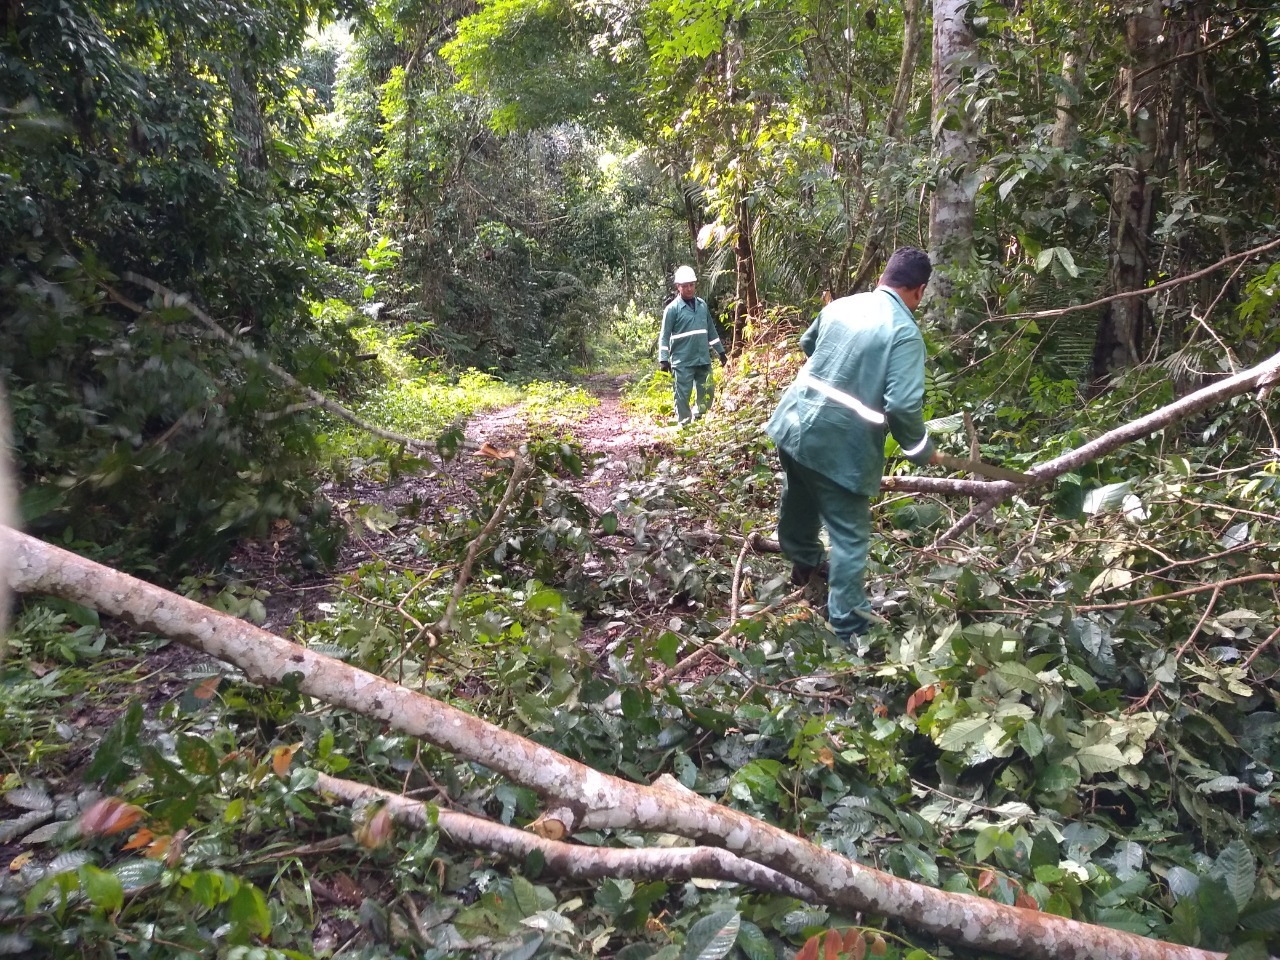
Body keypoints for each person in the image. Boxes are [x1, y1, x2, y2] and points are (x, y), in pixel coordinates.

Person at [764, 247, 942, 644]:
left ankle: (804, 564)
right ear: (919, 290)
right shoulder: (904, 332)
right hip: (839, 446)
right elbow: (901, 405)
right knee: (849, 537)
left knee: (798, 497)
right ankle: (848, 628)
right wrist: (919, 448)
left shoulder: (843, 305)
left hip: (794, 423)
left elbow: (808, 344)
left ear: (884, 277)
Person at [658, 265, 728, 425]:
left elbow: (711, 331)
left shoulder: (702, 305)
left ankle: (699, 417)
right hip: (682, 361)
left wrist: (721, 352)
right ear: (678, 287)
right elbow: (664, 336)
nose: (689, 289)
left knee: (708, 390)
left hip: (703, 358)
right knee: (682, 395)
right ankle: (685, 424)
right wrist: (663, 360)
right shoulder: (672, 309)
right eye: (685, 286)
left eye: (691, 285)